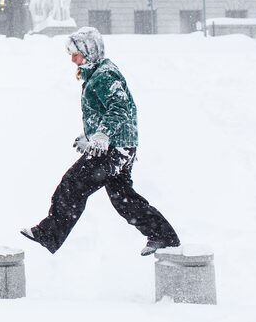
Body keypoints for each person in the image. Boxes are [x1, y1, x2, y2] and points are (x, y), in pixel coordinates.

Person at [20, 27, 180, 256]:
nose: (72, 59)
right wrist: (92, 135)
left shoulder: (105, 75)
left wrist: (102, 135)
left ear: (89, 51)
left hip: (113, 149)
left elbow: (119, 108)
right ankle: (163, 235)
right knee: (123, 199)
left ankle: (50, 233)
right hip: (120, 146)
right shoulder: (96, 73)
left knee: (72, 185)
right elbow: (105, 111)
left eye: (76, 53)